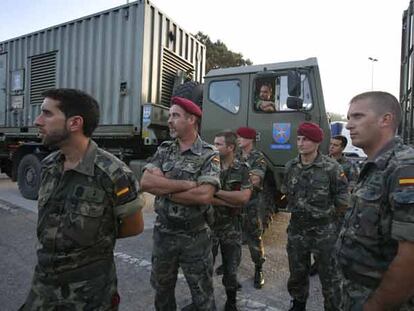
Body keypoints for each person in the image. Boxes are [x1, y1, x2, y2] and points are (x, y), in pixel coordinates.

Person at [20, 88, 145, 310]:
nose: (37, 121)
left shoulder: (113, 173)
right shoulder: (50, 165)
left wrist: (95, 241)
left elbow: (133, 226)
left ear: (74, 123)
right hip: (43, 284)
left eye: (47, 114)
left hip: (88, 293)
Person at [140, 96, 221, 311]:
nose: (169, 121)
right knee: (162, 291)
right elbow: (146, 182)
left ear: (192, 119)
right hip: (164, 233)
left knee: (202, 295)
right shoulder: (165, 149)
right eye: (170, 116)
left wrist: (164, 186)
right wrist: (186, 184)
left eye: (175, 116)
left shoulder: (209, 154)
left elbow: (204, 195)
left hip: (195, 237)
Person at [337, 91, 414, 310]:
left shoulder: (404, 166)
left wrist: (376, 306)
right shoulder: (374, 165)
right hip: (356, 293)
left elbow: (410, 259)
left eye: (358, 116)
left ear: (385, 119)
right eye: (349, 117)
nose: (349, 125)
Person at [281, 122, 348, 311]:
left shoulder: (332, 168)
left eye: (306, 140)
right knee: (297, 272)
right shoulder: (291, 166)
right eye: (299, 139)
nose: (301, 143)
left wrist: (327, 220)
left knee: (330, 277)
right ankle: (298, 304)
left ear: (317, 142)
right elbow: (286, 191)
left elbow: (343, 201)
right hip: (297, 230)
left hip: (324, 233)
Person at [211, 131, 252, 311]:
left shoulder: (242, 168)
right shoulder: (209, 166)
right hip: (208, 225)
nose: (214, 147)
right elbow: (202, 196)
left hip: (231, 226)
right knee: (203, 267)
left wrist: (216, 193)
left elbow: (243, 198)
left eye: (218, 144)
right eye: (214, 143)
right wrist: (229, 199)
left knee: (230, 268)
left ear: (230, 148)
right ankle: (203, 301)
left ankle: (231, 302)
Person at [236, 126, 266, 289]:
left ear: (250, 139)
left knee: (254, 238)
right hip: (235, 204)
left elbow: (255, 180)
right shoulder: (236, 155)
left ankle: (259, 268)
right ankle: (231, 272)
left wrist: (234, 183)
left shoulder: (258, 157)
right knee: (233, 238)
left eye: (241, 137)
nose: (238, 139)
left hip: (251, 205)